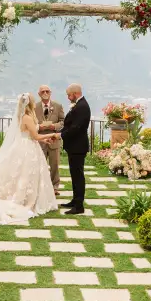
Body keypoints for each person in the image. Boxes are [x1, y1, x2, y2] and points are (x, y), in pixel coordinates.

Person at [0, 92, 61, 224]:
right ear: (30, 103)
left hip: (27, 144)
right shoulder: (27, 118)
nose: (36, 103)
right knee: (26, 174)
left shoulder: (23, 116)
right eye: (34, 101)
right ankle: (25, 199)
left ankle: (26, 195)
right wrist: (52, 135)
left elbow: (30, 135)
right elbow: (35, 136)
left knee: (24, 174)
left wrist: (44, 140)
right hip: (28, 148)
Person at [59, 83, 92, 215]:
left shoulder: (82, 106)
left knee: (78, 176)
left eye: (69, 95)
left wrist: (60, 135)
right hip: (74, 147)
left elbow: (76, 128)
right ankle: (75, 200)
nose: (68, 98)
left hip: (78, 147)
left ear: (75, 93)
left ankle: (79, 206)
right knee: (74, 175)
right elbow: (70, 125)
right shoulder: (79, 105)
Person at [35, 84, 66, 196]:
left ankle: (54, 187)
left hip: (54, 140)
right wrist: (39, 127)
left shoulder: (58, 106)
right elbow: (32, 122)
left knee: (54, 165)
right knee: (39, 165)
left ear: (50, 93)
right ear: (39, 94)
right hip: (40, 141)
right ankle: (40, 186)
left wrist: (55, 126)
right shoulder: (34, 107)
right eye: (42, 91)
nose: (45, 93)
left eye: (47, 91)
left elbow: (63, 121)